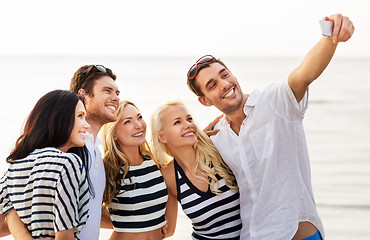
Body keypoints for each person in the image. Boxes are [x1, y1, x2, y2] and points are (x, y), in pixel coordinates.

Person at [185, 14, 354, 240]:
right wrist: (197, 141)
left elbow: (304, 74)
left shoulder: (275, 102)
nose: (225, 84)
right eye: (212, 85)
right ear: (205, 101)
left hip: (297, 234)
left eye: (225, 75)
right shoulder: (217, 139)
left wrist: (330, 36)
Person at [0, 90, 90, 239]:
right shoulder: (68, 163)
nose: (86, 125)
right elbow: (65, 235)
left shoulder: (15, 166)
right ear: (60, 118)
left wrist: (12, 215)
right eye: (80, 116)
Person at [151, 101, 242, 240]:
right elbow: (167, 231)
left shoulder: (219, 150)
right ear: (162, 137)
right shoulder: (168, 176)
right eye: (177, 122)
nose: (188, 124)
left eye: (189, 119)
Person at [100, 100, 177, 240]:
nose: (138, 125)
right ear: (114, 133)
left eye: (139, 117)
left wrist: (200, 138)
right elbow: (86, 212)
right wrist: (125, 222)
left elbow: (173, 187)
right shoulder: (106, 169)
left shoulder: (155, 161)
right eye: (127, 122)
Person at [69, 64, 120, 240]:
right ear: (82, 96)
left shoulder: (95, 149)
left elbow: (91, 210)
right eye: (107, 91)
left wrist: (146, 221)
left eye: (117, 93)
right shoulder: (68, 149)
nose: (115, 98)